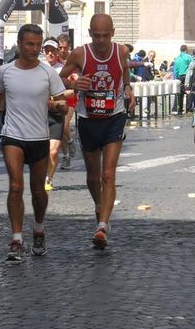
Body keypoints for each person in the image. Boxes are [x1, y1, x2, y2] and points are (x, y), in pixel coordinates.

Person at [0, 24, 67, 261]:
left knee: (38, 191)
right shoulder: (5, 71)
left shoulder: (48, 72)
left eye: (38, 45)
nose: (34, 49)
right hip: (13, 136)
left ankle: (38, 229)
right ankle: (16, 238)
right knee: (15, 186)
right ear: (19, 44)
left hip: (39, 136)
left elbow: (64, 104)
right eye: (30, 44)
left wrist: (56, 105)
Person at [59, 14, 135, 250]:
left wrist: (127, 87)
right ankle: (100, 206)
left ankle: (102, 225)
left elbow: (124, 71)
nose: (101, 41)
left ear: (112, 32)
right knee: (93, 176)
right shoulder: (81, 54)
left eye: (105, 35)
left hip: (114, 116)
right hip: (88, 117)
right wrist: (74, 83)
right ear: (90, 34)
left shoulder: (121, 51)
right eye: (96, 36)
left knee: (108, 174)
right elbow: (60, 77)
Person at [42, 37, 71, 191]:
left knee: (53, 151)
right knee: (43, 152)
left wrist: (58, 96)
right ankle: (42, 174)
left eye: (52, 50)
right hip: (39, 115)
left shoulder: (63, 69)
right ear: (43, 51)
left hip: (56, 114)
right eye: (47, 50)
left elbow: (73, 90)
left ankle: (49, 178)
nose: (50, 53)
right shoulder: (37, 68)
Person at [57, 33, 77, 170]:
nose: (62, 50)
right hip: (58, 96)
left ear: (69, 47)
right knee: (59, 130)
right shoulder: (54, 59)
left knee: (64, 125)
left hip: (71, 96)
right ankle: (65, 156)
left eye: (65, 48)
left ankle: (70, 141)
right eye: (60, 48)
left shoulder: (74, 59)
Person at [172, 45, 193, 113]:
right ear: (186, 50)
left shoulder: (177, 58)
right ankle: (188, 108)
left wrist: (175, 78)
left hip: (179, 77)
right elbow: (193, 66)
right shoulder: (189, 57)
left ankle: (178, 108)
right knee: (188, 92)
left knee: (179, 93)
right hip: (187, 76)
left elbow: (175, 70)